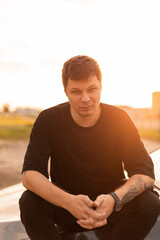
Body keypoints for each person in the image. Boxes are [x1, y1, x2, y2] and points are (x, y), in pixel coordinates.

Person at [19, 55, 160, 240]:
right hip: (67, 205)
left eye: (92, 89)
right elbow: (30, 175)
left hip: (111, 206)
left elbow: (145, 174)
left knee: (150, 202)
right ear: (66, 92)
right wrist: (69, 202)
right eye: (76, 91)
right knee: (29, 202)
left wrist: (114, 199)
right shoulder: (48, 120)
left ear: (101, 87)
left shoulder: (119, 119)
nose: (85, 98)